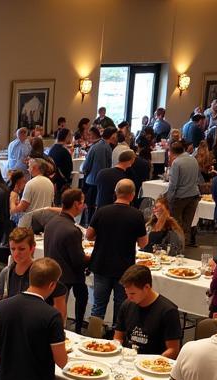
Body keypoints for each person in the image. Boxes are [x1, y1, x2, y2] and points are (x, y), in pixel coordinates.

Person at [87, 179, 148, 324]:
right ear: (132, 195)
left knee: (98, 306)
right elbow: (143, 243)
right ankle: (117, 338)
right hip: (124, 267)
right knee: (121, 306)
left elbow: (89, 236)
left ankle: (93, 339)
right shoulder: (136, 215)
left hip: (101, 264)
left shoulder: (102, 211)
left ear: (115, 193)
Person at [44, 188, 89, 333]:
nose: (84, 206)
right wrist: (93, 257)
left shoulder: (51, 223)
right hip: (68, 276)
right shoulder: (72, 230)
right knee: (82, 293)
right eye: (82, 203)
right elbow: (78, 261)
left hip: (52, 272)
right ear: (76, 204)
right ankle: (78, 328)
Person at [114, 266, 182, 357]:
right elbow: (118, 338)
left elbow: (173, 350)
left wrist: (153, 363)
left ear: (147, 287)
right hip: (128, 358)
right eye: (126, 293)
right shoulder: (127, 305)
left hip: (153, 362)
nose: (129, 298)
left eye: (132, 293)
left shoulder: (168, 311)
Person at [165, 141, 201, 246]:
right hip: (194, 195)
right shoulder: (193, 159)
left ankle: (176, 244)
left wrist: (169, 198)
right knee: (187, 223)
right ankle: (185, 243)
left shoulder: (177, 162)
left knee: (175, 223)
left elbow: (173, 184)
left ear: (171, 152)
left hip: (180, 196)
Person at [81, 126, 113, 222]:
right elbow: (109, 163)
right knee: (98, 204)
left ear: (93, 135)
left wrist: (83, 170)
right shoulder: (107, 146)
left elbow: (85, 166)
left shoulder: (94, 147)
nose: (87, 136)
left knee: (89, 205)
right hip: (103, 180)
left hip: (92, 180)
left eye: (88, 134)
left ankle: (87, 223)